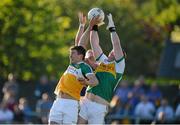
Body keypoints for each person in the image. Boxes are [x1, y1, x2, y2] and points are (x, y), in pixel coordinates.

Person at [48, 12, 99, 124]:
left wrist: (86, 81)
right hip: (58, 101)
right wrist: (82, 25)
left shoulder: (85, 67)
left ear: (80, 55)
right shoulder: (72, 64)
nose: (70, 55)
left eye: (73, 53)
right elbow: (79, 42)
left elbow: (95, 82)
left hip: (71, 104)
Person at [78, 13, 125, 124]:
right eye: (113, 50)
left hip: (99, 106)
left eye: (119, 52)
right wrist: (94, 25)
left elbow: (116, 44)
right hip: (86, 102)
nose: (114, 50)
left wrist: (112, 29)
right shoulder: (102, 60)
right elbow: (94, 42)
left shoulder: (119, 66)